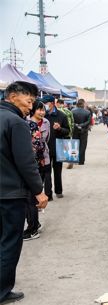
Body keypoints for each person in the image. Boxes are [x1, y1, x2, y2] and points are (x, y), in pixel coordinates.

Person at [0, 81, 48, 305]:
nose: (31, 106)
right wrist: (39, 191)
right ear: (12, 96)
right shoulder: (16, 122)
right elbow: (26, 162)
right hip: (9, 194)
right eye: (29, 101)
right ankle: (2, 291)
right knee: (9, 241)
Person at [24, 101, 51, 240]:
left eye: (43, 110)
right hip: (35, 163)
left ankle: (32, 228)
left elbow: (40, 146)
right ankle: (35, 224)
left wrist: (39, 162)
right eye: (39, 110)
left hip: (34, 164)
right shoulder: (28, 123)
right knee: (31, 197)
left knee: (31, 198)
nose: (42, 112)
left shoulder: (32, 125)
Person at [41, 95, 70, 199]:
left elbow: (67, 131)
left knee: (58, 170)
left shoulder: (62, 116)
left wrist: (59, 129)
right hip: (45, 148)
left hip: (58, 147)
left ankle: (59, 191)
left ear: (52, 103)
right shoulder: (41, 115)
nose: (44, 105)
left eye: (46, 103)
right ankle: (48, 194)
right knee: (46, 171)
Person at [71, 99, 92, 165]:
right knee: (83, 146)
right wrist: (81, 125)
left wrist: (76, 125)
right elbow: (88, 122)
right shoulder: (87, 112)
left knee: (74, 145)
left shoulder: (72, 111)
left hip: (75, 130)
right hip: (84, 130)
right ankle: (81, 161)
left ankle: (74, 159)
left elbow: (71, 121)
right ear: (83, 104)